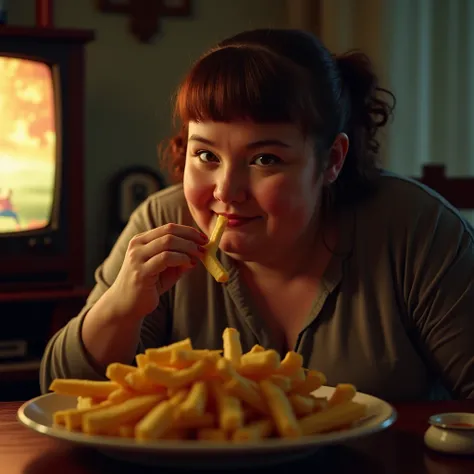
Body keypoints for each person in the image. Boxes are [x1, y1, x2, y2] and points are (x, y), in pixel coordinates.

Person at [40, 28, 474, 401]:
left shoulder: (416, 226)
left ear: (332, 161)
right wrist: (120, 306)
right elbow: (58, 394)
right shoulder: (160, 219)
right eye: (206, 154)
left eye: (265, 159)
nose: (226, 191)